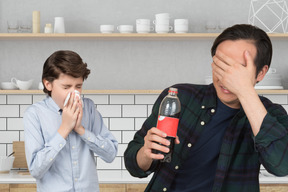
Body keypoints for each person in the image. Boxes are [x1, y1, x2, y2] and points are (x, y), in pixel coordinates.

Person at [124, 24, 288, 192]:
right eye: (221, 65)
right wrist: (145, 153)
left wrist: (245, 91)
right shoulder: (179, 97)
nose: (226, 78)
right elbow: (133, 163)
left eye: (238, 70)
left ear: (261, 73)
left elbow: (282, 166)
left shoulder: (271, 114)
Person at [24, 50, 118, 192]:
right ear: (48, 84)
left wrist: (81, 130)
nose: (74, 93)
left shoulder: (89, 108)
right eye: (66, 87)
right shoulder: (35, 114)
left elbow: (110, 154)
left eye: (78, 86)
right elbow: (36, 170)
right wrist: (64, 129)